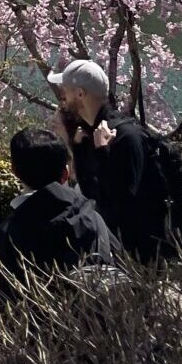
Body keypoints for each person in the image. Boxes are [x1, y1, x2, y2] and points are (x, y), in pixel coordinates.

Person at [50, 58, 173, 263]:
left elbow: (123, 201)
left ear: (80, 94)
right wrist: (80, 149)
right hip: (108, 248)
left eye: (65, 91)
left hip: (137, 255)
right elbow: (91, 195)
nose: (62, 98)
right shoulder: (91, 133)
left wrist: (102, 151)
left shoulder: (125, 136)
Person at [0, 127, 113, 307]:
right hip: (90, 331)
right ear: (65, 173)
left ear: (14, 170)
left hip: (30, 332)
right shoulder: (92, 219)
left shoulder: (9, 234)